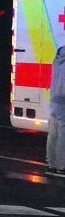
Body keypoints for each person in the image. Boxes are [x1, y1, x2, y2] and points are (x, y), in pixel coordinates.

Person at [48, 44, 65, 176]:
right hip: (63, 100)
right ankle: (61, 166)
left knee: (52, 134)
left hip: (54, 99)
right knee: (62, 134)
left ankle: (51, 165)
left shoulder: (57, 58)